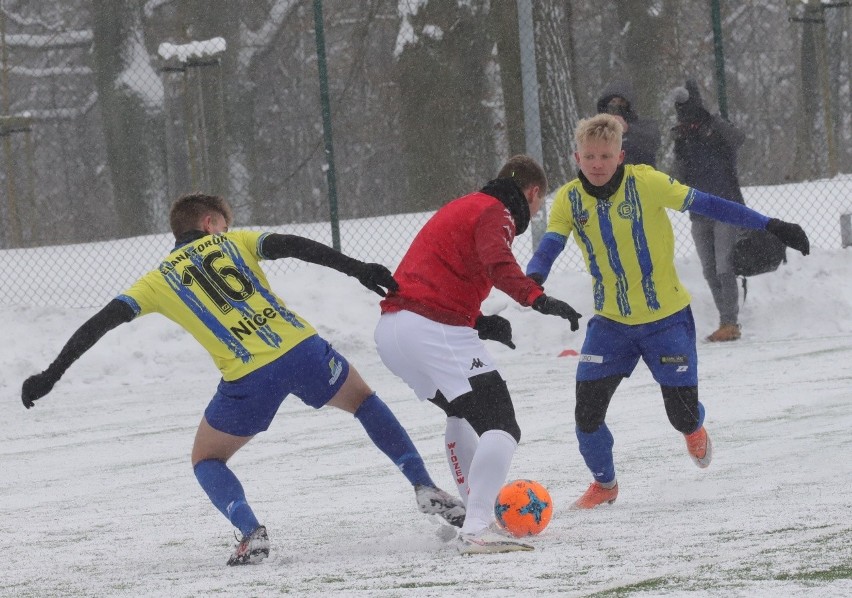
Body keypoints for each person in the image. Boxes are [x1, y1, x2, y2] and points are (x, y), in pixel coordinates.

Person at [21, 193, 466, 566]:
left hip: (247, 378)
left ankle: (251, 532)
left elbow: (102, 321)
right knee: (364, 402)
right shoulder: (235, 243)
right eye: (225, 223)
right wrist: (359, 269)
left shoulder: (156, 280)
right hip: (301, 348)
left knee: (206, 460)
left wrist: (52, 374)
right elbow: (293, 244)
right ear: (212, 222)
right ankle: (424, 485)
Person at [526, 115, 809, 510]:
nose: (596, 163)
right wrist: (530, 281)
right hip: (611, 324)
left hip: (666, 320)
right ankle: (605, 484)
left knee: (681, 415)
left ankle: (693, 425)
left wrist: (772, 225)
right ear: (577, 155)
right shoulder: (570, 199)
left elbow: (710, 204)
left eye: (605, 155)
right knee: (586, 414)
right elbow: (549, 247)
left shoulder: (648, 182)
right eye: (588, 155)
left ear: (619, 155)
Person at [374, 155, 583, 554]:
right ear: (533, 193)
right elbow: (498, 262)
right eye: (538, 204)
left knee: (462, 413)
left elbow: (440, 274)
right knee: (502, 425)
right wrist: (537, 299)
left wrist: (480, 321)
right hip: (431, 328)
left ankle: (473, 511)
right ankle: (478, 526)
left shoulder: (463, 204)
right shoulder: (497, 211)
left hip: (392, 332)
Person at [672, 79, 748, 342]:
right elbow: (678, 175)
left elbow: (739, 139)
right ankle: (725, 320)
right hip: (698, 210)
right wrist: (680, 142)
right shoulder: (682, 137)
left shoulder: (715, 128)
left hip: (725, 206)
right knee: (709, 269)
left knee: (724, 266)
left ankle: (730, 322)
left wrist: (711, 122)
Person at [596, 79, 661, 167]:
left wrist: (628, 129)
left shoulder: (645, 125)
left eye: (621, 102)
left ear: (629, 104)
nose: (616, 106)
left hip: (642, 178)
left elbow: (653, 143)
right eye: (613, 102)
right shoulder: (599, 131)